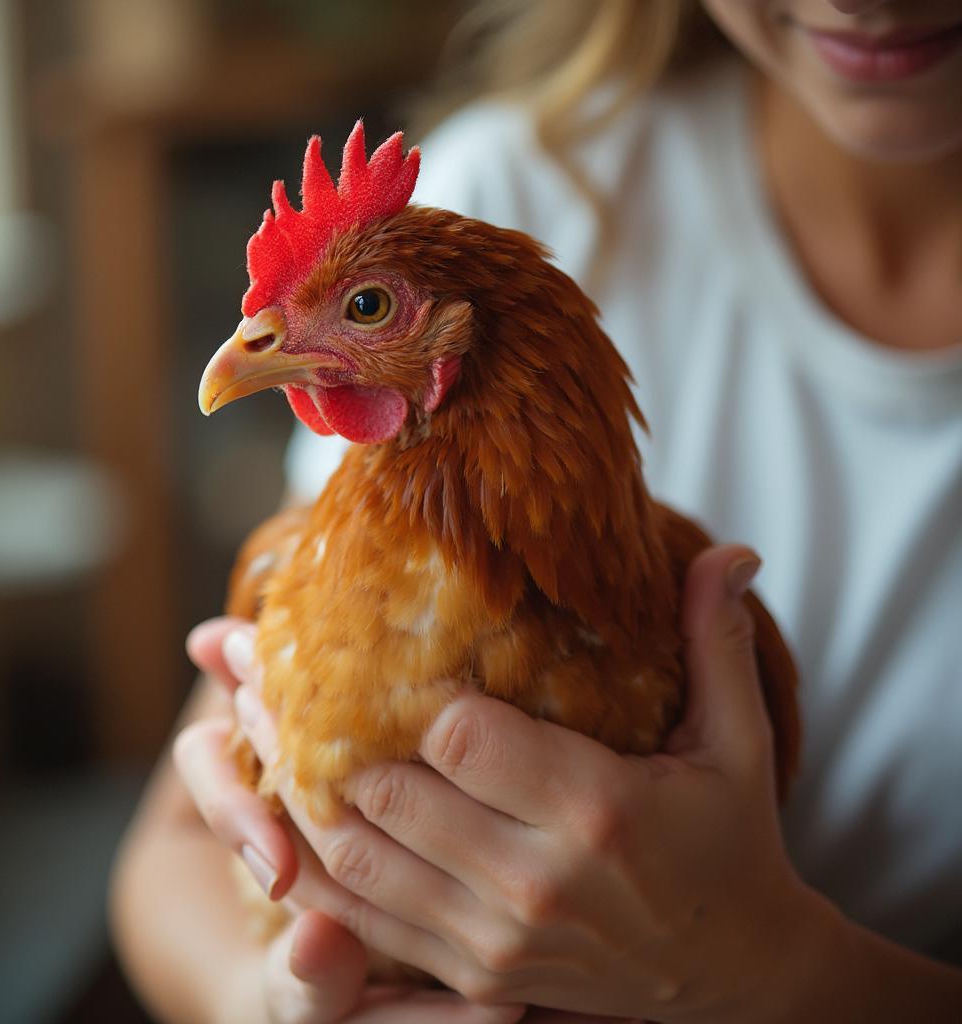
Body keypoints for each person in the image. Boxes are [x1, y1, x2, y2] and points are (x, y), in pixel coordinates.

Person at [110, 1, 962, 1021]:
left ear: (464, 343)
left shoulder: (679, 616)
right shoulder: (509, 182)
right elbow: (178, 854)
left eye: (368, 307)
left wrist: (774, 969)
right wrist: (275, 1001)